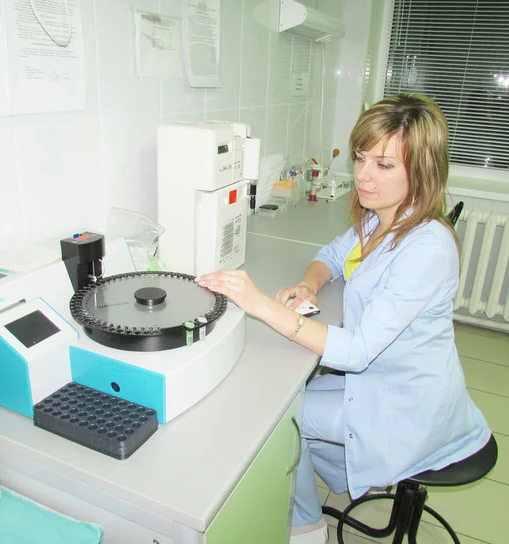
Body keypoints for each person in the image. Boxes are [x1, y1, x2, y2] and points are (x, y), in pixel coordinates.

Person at [196, 93, 491, 544]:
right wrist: (311, 285)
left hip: (407, 408)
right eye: (360, 158)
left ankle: (308, 527)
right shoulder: (384, 217)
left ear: (423, 171)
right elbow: (334, 254)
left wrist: (259, 303)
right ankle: (341, 476)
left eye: (384, 165)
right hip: (386, 379)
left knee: (275, 419)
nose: (363, 175)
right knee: (292, 396)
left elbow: (354, 352)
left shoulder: (427, 247)